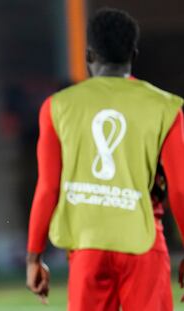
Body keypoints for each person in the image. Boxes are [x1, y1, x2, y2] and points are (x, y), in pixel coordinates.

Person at [26, 8, 184, 311]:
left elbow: (48, 187)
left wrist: (34, 256)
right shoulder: (166, 107)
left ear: (88, 55)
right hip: (144, 241)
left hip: (87, 245)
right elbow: (179, 190)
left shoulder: (57, 107)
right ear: (133, 55)